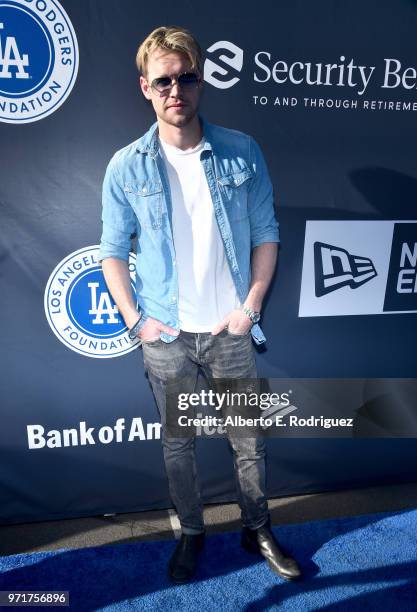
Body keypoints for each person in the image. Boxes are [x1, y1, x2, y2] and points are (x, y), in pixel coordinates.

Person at [98, 25, 301, 584]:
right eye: (163, 80)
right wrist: (137, 320)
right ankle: (191, 532)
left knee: (249, 443)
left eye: (186, 77)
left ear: (201, 79)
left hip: (230, 330)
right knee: (178, 449)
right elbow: (112, 252)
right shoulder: (127, 166)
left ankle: (256, 526)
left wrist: (251, 307)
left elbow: (267, 232)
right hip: (166, 338)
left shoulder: (241, 150)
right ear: (146, 87)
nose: (176, 90)